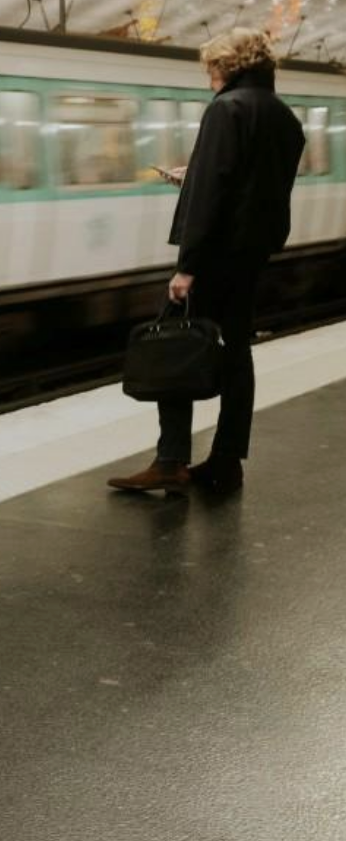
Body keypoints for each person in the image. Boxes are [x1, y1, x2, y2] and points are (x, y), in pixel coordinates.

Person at [108, 28, 305, 495]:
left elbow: (214, 192)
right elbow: (252, 182)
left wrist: (187, 266)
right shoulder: (284, 117)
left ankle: (171, 459)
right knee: (236, 355)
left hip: (214, 255)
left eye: (211, 68)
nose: (208, 78)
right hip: (252, 253)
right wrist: (193, 175)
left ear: (228, 66)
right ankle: (227, 459)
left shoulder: (225, 109)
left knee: (175, 342)